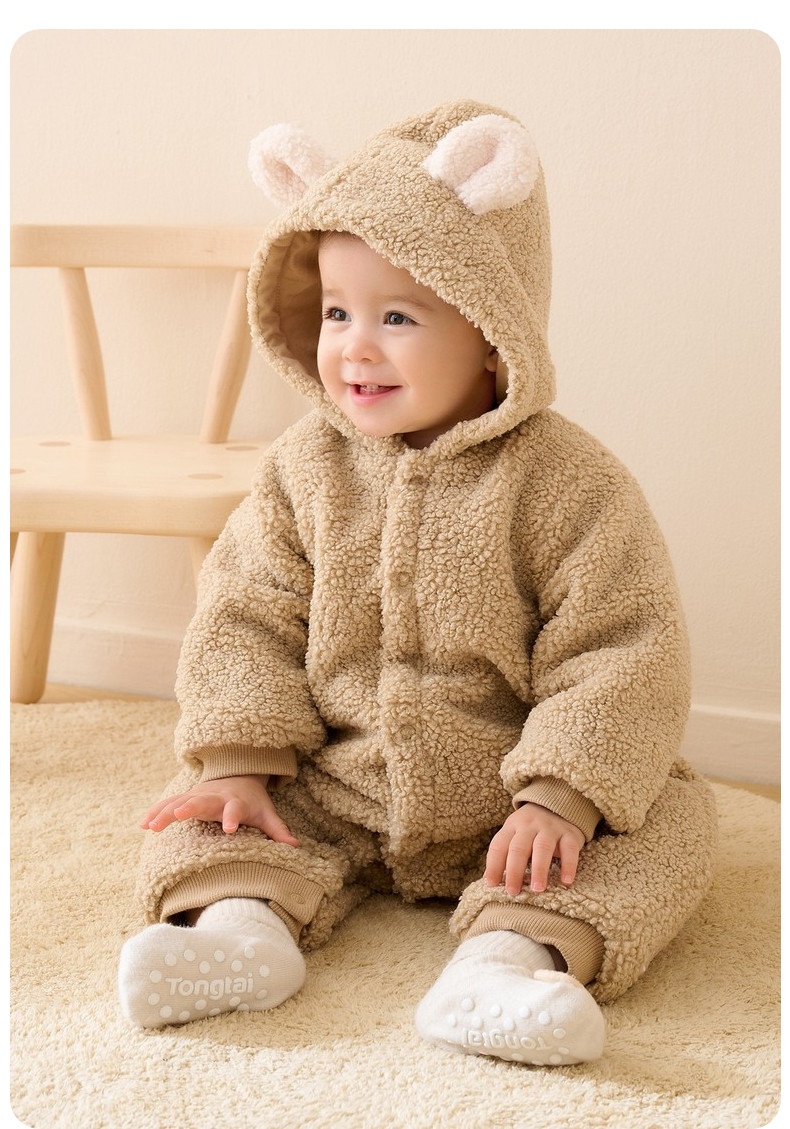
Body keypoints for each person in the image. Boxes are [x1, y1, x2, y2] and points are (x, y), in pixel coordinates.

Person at [118, 100, 718, 1066]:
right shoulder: (302, 468)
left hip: (512, 807)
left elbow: (624, 646)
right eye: (337, 313)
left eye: (396, 316)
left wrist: (561, 796)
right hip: (335, 783)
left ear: (491, 328)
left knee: (672, 826)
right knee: (199, 813)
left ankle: (508, 962)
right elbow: (244, 615)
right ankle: (238, 933)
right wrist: (238, 757)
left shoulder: (571, 484)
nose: (355, 345)